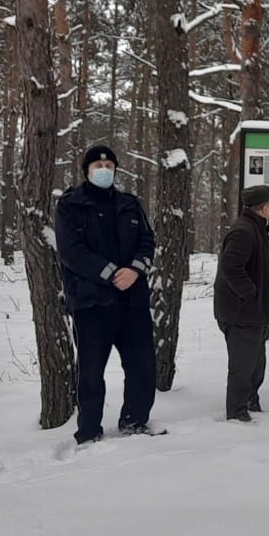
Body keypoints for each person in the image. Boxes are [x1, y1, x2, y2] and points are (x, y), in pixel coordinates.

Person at [55, 145, 157, 444]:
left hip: (132, 302)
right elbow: (71, 252)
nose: (104, 170)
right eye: (98, 165)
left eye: (109, 166)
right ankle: (88, 432)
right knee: (90, 372)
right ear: (87, 171)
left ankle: (135, 421)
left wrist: (135, 270)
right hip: (91, 302)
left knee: (142, 367)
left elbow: (147, 241)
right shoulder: (71, 205)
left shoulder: (130, 204)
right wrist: (111, 272)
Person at [213, 184, 269, 421]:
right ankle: (237, 412)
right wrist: (250, 294)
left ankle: (251, 402)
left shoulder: (257, 228)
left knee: (255, 364)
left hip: (252, 313)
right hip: (240, 313)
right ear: (263, 208)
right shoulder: (244, 231)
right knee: (243, 366)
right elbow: (231, 266)